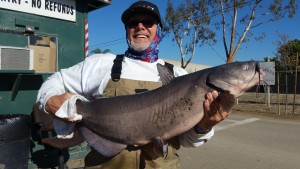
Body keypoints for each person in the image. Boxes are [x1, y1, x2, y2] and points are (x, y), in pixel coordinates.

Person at [36, 1, 229, 168]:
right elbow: (55, 81)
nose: (140, 26)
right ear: (127, 29)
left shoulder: (179, 77)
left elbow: (186, 141)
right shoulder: (101, 64)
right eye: (133, 23)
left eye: (148, 22)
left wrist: (204, 126)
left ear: (158, 29)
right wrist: (50, 101)